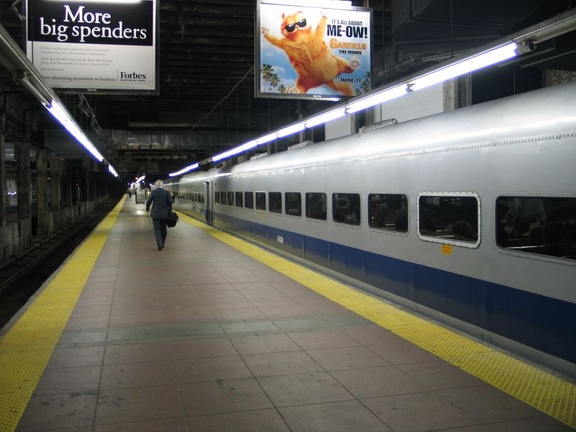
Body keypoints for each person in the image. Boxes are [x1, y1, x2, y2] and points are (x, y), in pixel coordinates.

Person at [145, 180, 173, 250]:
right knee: (163, 229)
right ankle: (162, 243)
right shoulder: (166, 192)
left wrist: (147, 208)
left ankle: (159, 243)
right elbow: (170, 202)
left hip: (155, 214)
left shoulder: (154, 192)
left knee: (157, 229)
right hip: (164, 214)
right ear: (162, 185)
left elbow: (148, 201)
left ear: (156, 185)